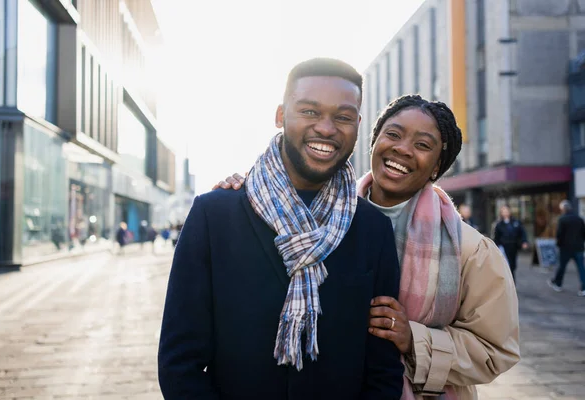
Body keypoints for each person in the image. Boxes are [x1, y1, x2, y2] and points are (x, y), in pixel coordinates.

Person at [217, 94, 520, 399]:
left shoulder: (470, 250)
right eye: (393, 134)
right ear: (374, 141)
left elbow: (496, 349)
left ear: (436, 167)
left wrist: (414, 340)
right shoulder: (316, 221)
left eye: (423, 145)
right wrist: (249, 191)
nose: (402, 149)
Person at [158, 58, 404, 399]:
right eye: (309, 111)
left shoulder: (373, 228)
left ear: (358, 125)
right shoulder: (214, 216)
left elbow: (383, 369)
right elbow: (179, 363)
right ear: (280, 116)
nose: (327, 128)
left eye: (343, 117)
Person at [547, 200, 585, 296]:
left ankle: (558, 284)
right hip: (578, 247)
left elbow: (560, 234)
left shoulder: (562, 219)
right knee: (581, 268)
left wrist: (558, 244)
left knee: (561, 267)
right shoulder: (579, 218)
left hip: (565, 248)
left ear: (563, 209)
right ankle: (583, 288)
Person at [494, 205, 528, 282]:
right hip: (503, 247)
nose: (505, 213)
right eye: (503, 211)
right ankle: (508, 282)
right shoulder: (499, 224)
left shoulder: (516, 222)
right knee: (506, 265)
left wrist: (524, 241)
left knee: (513, 265)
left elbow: (522, 232)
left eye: (506, 211)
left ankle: (512, 282)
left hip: (514, 247)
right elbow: (496, 238)